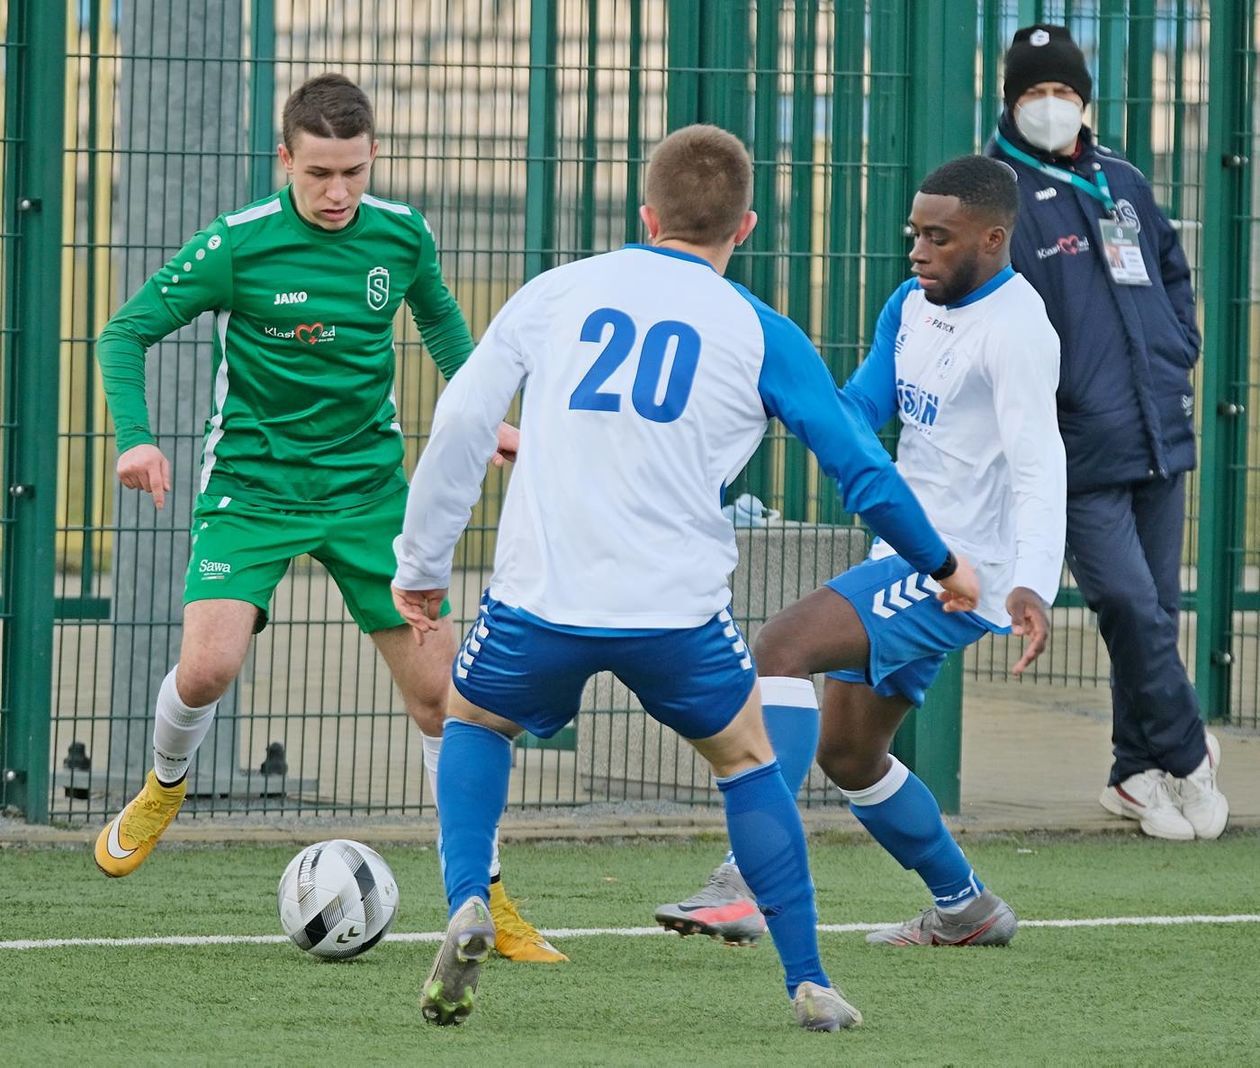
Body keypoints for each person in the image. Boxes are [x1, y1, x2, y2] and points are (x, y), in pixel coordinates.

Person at [392, 124, 981, 1030]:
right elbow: (859, 466)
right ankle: (807, 980)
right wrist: (940, 564)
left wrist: (423, 565)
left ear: (646, 214)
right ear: (743, 226)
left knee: (476, 719)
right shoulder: (758, 328)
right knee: (746, 761)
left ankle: (470, 896)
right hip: (674, 614)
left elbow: (464, 418)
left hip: (541, 599)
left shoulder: (558, 291)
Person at [92, 72, 564, 963]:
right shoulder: (237, 246)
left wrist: (492, 415)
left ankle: (481, 898)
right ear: (286, 160)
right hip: (253, 489)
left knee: (445, 701)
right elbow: (123, 333)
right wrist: (137, 439)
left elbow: (445, 330)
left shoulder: (403, 235)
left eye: (352, 171)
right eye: (319, 174)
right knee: (208, 668)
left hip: (371, 498)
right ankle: (164, 783)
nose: (338, 192)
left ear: (372, 154)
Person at [656, 155, 1065, 950]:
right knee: (849, 754)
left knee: (780, 646)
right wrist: (773, 400)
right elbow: (859, 407)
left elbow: (1040, 463)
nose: (917, 251)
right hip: (909, 557)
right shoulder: (911, 304)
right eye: (915, 233)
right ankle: (967, 909)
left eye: (938, 239)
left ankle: (747, 882)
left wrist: (1032, 585)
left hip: (960, 572)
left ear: (993, 237)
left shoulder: (1018, 331)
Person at [986, 24, 1227, 840]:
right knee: (1127, 601)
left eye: (1061, 91)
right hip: (1077, 443)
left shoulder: (1121, 179)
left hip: (1157, 425)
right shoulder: (1000, 196)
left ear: (1083, 100)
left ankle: (1134, 773)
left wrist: (1175, 347)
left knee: (1151, 608)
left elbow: (1171, 272)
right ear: (1011, 103)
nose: (1048, 106)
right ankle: (1190, 751)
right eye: (1032, 93)